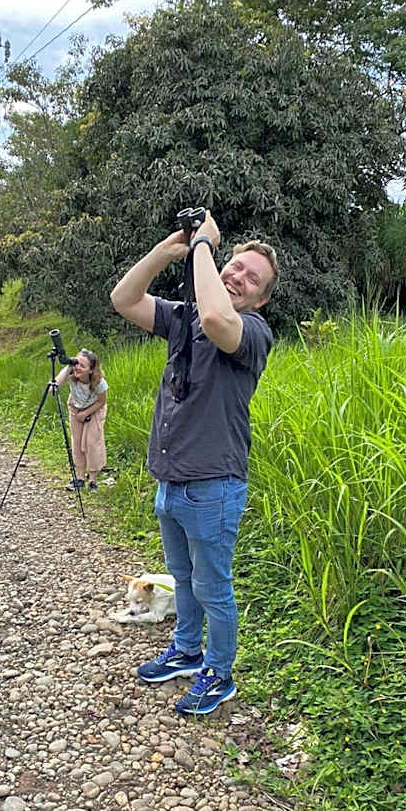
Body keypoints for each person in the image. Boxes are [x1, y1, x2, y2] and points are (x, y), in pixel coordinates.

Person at [110, 210, 279, 715]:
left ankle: (219, 674)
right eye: (236, 266)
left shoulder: (252, 332)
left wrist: (205, 246)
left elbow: (216, 319)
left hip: (213, 485)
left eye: (253, 278)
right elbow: (124, 299)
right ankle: (186, 650)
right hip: (171, 479)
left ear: (261, 299)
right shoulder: (185, 316)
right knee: (182, 577)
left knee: (213, 587)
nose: (239, 277)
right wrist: (168, 250)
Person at [56, 348, 108, 491]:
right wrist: (69, 367)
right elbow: (54, 386)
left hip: (95, 409)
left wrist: (85, 413)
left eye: (82, 366)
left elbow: (102, 402)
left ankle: (92, 479)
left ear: (91, 370)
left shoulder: (99, 382)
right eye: (76, 363)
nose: (78, 367)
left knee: (91, 442)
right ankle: (79, 477)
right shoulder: (71, 373)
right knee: (77, 442)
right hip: (76, 407)